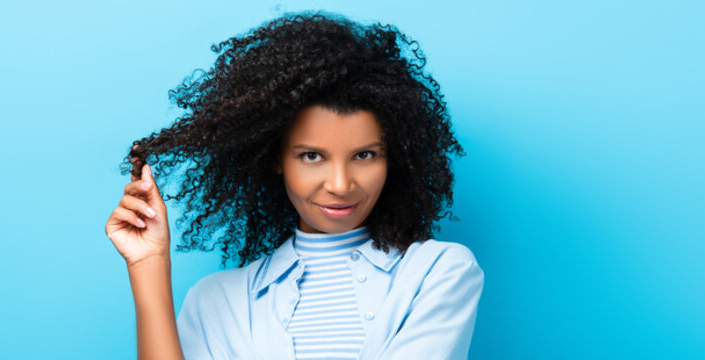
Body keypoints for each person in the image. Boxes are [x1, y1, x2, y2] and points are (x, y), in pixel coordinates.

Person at [105, 11, 484, 360]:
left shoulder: (437, 273)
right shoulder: (216, 300)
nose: (340, 184)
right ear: (276, 158)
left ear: (393, 158)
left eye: (365, 155)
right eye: (312, 156)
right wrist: (149, 265)